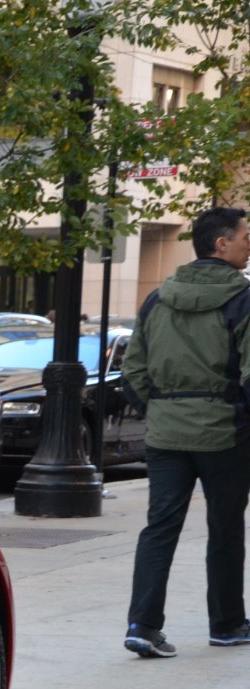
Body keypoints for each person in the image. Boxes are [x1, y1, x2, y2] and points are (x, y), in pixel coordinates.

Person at [121, 205, 250, 657]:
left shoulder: (158, 298)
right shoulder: (243, 299)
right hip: (226, 434)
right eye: (244, 237)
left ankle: (143, 624)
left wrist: (157, 408)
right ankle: (228, 624)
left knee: (159, 528)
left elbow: (132, 367)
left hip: (166, 434)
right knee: (226, 528)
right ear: (221, 244)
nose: (248, 246)